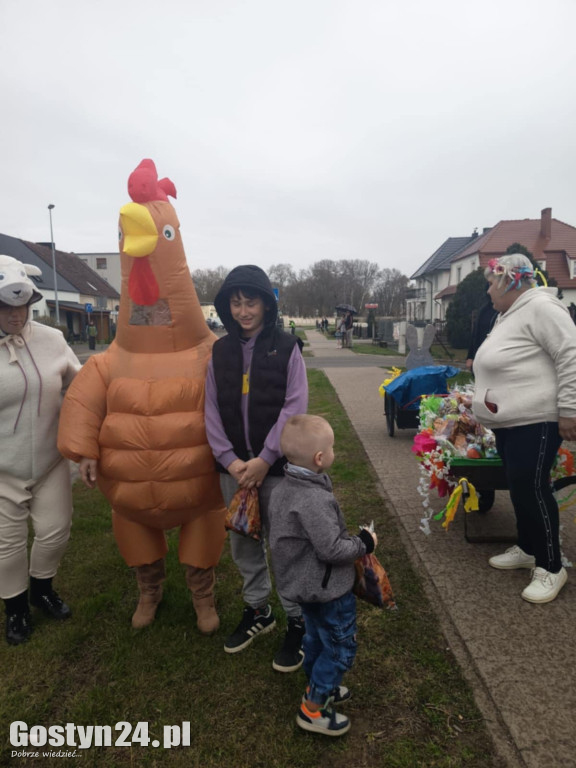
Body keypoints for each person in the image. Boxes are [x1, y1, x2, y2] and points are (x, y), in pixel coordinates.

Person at [205, 265, 309, 671]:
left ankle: (297, 619)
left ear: (267, 304)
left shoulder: (286, 347)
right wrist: (229, 460)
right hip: (232, 469)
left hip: (276, 469)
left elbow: (294, 406)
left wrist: (265, 458)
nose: (243, 311)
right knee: (243, 542)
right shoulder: (220, 350)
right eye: (236, 302)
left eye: (251, 302)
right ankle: (258, 611)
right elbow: (210, 407)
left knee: (283, 545)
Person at [472, 253, 576, 603]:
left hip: (536, 421)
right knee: (519, 489)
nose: (487, 290)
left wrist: (569, 410)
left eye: (490, 282)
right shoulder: (510, 314)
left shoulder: (542, 308)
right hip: (513, 423)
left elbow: (571, 354)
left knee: (532, 489)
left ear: (508, 280)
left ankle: (551, 567)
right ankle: (529, 548)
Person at [267, 414, 378, 736]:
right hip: (327, 588)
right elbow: (330, 550)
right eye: (331, 448)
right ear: (319, 458)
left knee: (315, 636)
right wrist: (364, 543)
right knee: (340, 648)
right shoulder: (313, 498)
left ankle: (319, 685)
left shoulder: (285, 488)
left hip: (304, 585)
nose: (333, 452)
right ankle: (313, 708)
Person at [0, 254, 81, 645]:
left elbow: (81, 391)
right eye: (5, 307)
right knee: (8, 546)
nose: (16, 315)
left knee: (55, 532)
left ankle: (41, 589)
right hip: (3, 470)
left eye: (22, 306)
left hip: (50, 463)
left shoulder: (53, 341)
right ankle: (15, 611)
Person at [465, 298, 498, 372]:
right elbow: (476, 333)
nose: (489, 290)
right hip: (482, 357)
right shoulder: (484, 310)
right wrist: (470, 356)